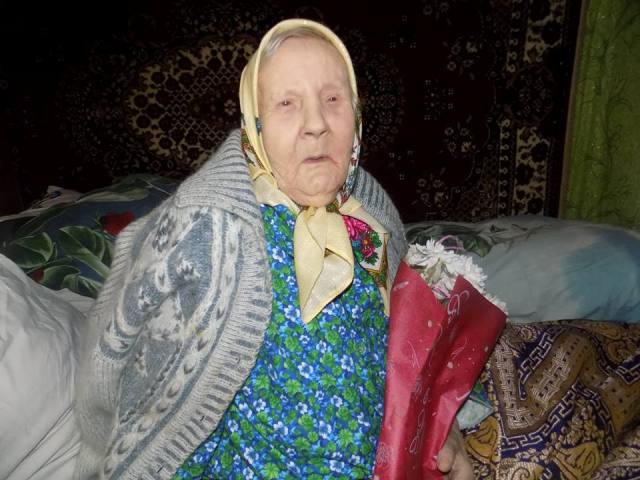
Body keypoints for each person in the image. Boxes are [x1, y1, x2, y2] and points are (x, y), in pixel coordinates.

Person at [74, 18, 473, 480]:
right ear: (255, 123)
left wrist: (443, 429)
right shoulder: (209, 225)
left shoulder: (373, 211)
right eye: (287, 104)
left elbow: (413, 344)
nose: (316, 125)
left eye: (333, 99)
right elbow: (111, 350)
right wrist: (101, 462)